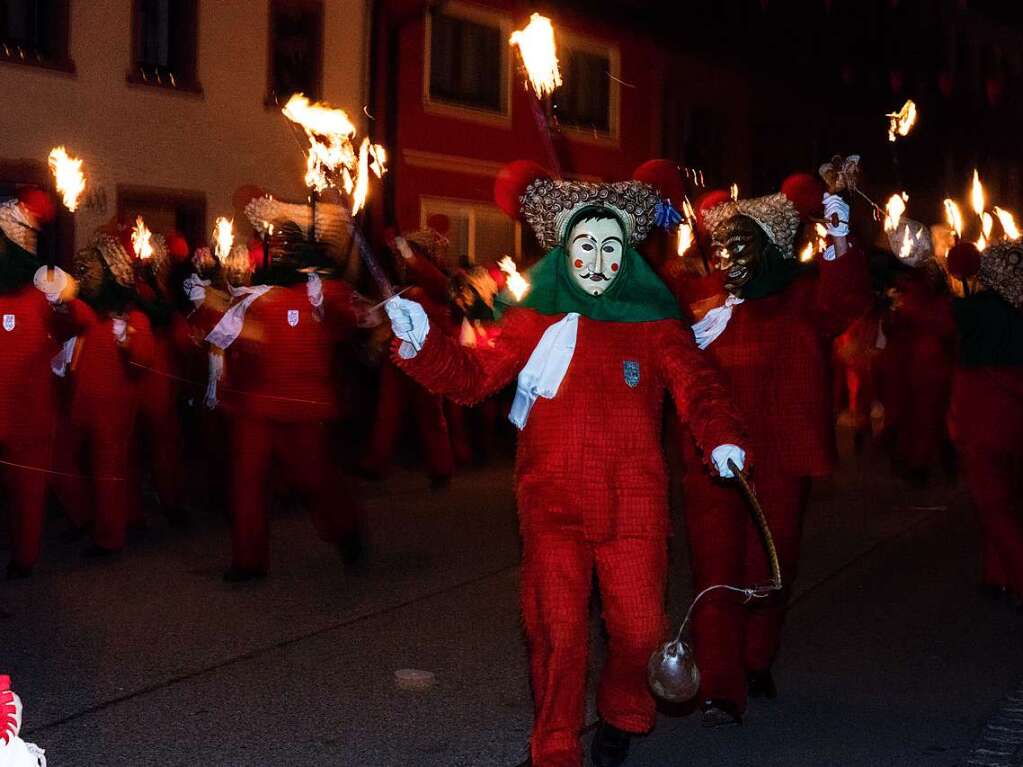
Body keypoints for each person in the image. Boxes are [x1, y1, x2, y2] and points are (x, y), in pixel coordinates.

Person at [385, 161, 748, 767]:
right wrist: (423, 341)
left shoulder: (654, 322)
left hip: (634, 504)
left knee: (639, 631)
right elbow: (475, 378)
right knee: (556, 632)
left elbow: (699, 387)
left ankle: (622, 707)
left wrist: (721, 437)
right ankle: (554, 745)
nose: (599, 261)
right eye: (586, 247)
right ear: (565, 252)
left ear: (626, 255)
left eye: (611, 248)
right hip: (551, 499)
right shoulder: (535, 317)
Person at [682, 170, 871, 725]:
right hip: (712, 461)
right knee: (716, 570)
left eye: (741, 243)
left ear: (769, 247)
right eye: (721, 245)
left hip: (782, 460)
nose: (727, 256)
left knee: (769, 566)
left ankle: (757, 657)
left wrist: (837, 230)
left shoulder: (803, 300)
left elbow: (850, 295)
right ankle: (720, 686)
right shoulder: (699, 301)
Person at [206, 202, 377, 582]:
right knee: (246, 481)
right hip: (258, 405)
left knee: (314, 479)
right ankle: (248, 561)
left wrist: (347, 308)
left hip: (304, 405)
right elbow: (229, 337)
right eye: (276, 246)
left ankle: (345, 531)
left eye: (287, 247)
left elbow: (357, 321)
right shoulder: (255, 297)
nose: (279, 253)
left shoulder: (324, 291)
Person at [51, 226, 156, 557]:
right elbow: (68, 321)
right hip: (79, 405)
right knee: (61, 460)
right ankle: (84, 517)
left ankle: (109, 538)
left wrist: (127, 339)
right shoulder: (88, 315)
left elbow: (143, 358)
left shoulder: (132, 315)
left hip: (113, 411)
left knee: (108, 472)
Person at [946, 238, 1023, 608]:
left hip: (984, 415)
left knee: (993, 504)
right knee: (1009, 498)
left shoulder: (973, 310)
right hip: (1012, 413)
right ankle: (997, 575)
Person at [0, 188, 69, 578]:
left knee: (27, 489)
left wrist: (67, 301)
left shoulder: (44, 292)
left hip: (30, 415)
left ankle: (24, 557)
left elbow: (72, 326)